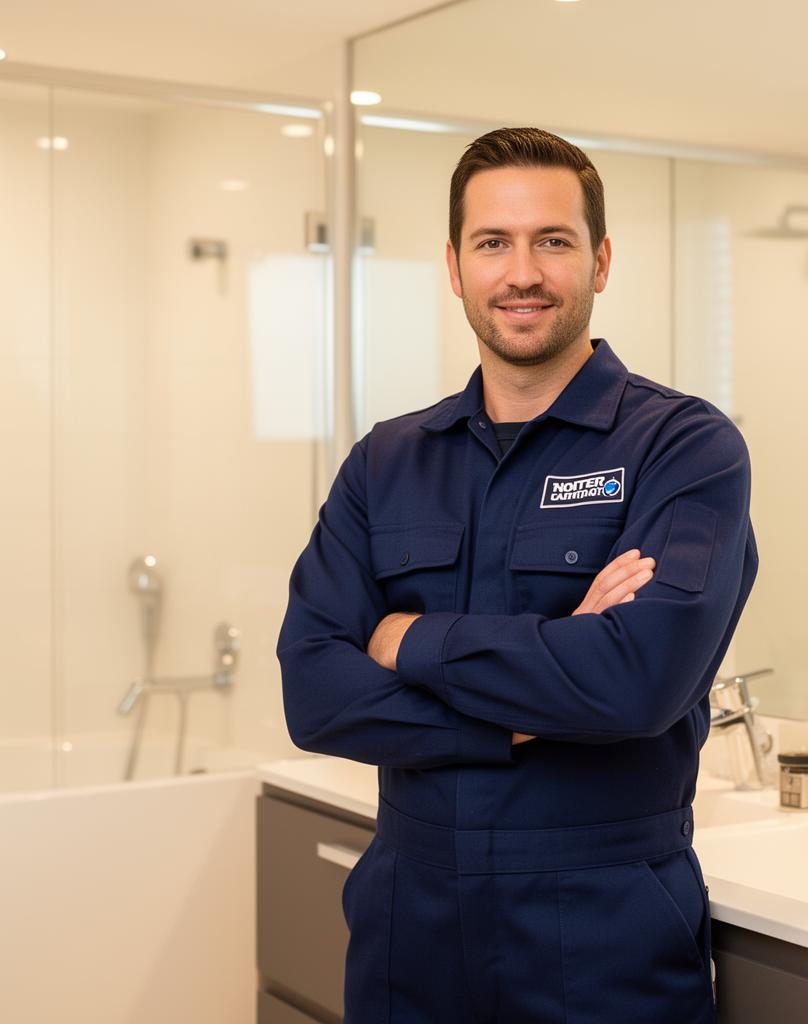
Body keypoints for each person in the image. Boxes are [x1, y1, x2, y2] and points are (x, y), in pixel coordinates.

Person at [277, 126, 758, 1024]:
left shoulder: (685, 451)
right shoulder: (386, 463)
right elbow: (315, 693)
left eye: (554, 241)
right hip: (407, 928)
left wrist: (406, 637)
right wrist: (531, 708)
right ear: (456, 266)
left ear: (601, 260)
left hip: (604, 929)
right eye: (494, 243)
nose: (523, 272)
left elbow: (633, 684)